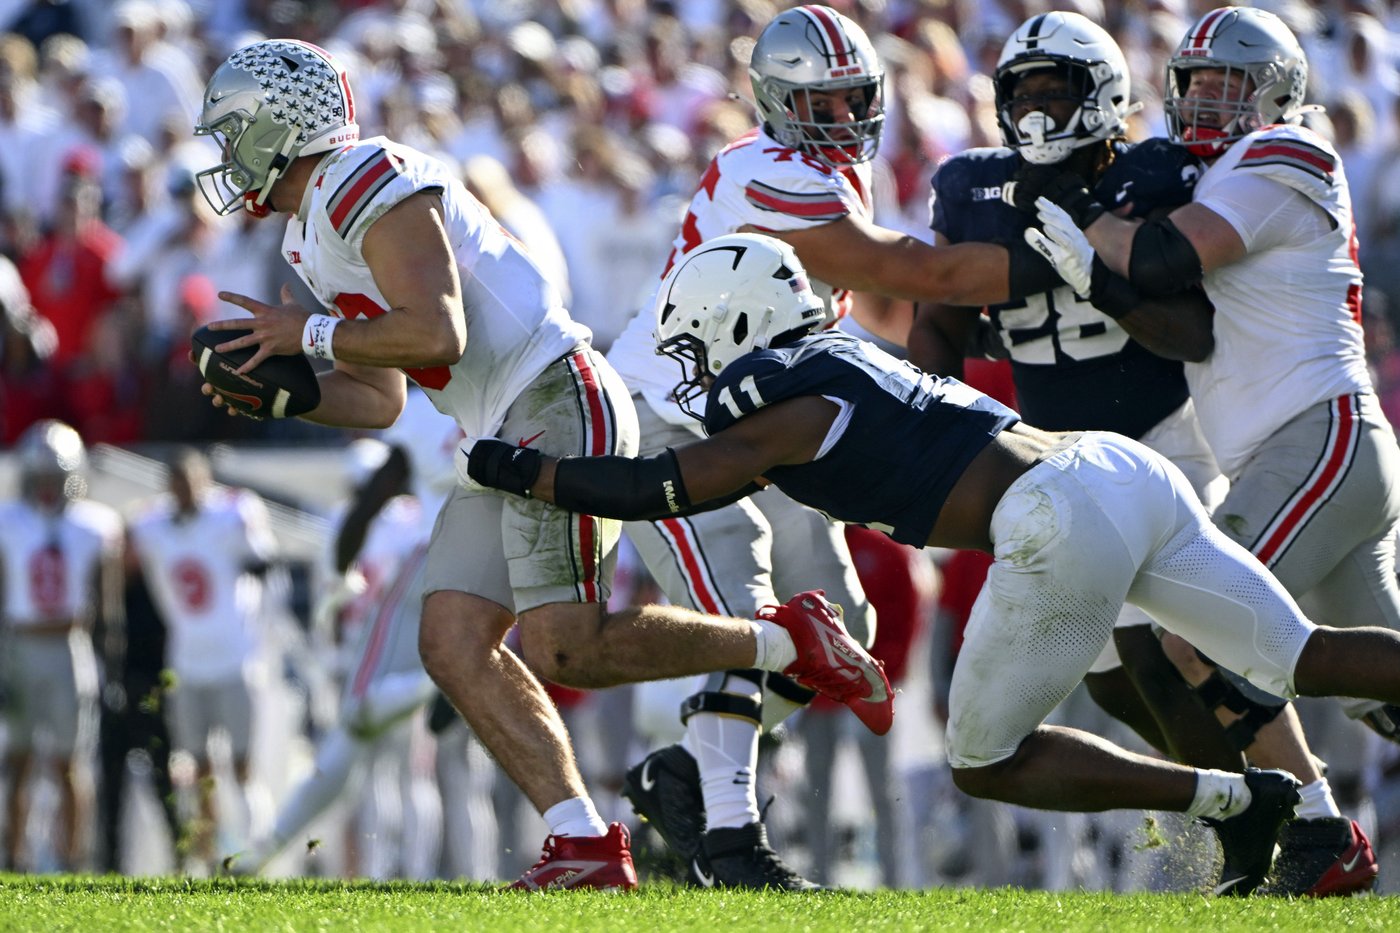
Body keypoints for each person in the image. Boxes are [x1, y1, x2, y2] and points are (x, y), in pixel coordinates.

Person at [466, 231, 1400, 896]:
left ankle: (1238, 798)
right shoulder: (841, 353)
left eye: (702, 342)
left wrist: (527, 469)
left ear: (740, 320)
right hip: (1118, 468)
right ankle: (1265, 805)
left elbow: (667, 486)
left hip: (1055, 517)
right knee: (1301, 653)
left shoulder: (791, 399)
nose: (699, 365)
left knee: (983, 759)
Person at [190, 38, 891, 891]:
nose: (227, 155)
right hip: (495, 428)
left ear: (278, 124)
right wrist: (285, 393)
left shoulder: (361, 171)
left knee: (567, 647)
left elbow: (437, 329)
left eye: (234, 131)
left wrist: (302, 336)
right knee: (452, 640)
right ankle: (585, 842)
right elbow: (376, 396)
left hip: (553, 394)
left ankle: (789, 639)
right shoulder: (310, 233)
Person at [907, 11, 1374, 897]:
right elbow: (938, 320)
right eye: (1026, 92)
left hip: (1165, 445)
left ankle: (1294, 817)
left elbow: (1189, 331)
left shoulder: (1156, 175)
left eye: (1060, 90)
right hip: (1067, 458)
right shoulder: (972, 186)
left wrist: (1094, 278)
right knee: (1126, 685)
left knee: (1202, 647)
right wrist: (931, 409)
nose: (1041, 110)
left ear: (1107, 97)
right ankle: (1257, 816)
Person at [603, 4, 1066, 888]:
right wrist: (1065, 260)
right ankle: (734, 837)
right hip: (675, 407)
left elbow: (893, 302)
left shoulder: (826, 171)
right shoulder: (769, 168)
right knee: (752, 607)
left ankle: (695, 774)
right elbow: (915, 275)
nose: (844, 118)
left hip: (757, 415)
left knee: (844, 629)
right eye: (822, 103)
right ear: (775, 102)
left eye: (855, 98)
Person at [127, 446, 277, 872]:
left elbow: (264, 563)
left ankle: (257, 854)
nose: (182, 491)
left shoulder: (233, 514)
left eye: (189, 481)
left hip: (236, 658)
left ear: (204, 481)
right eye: (175, 483)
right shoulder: (152, 524)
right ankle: (213, 860)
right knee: (197, 768)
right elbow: (122, 548)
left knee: (245, 767)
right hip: (188, 662)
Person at [1, 419, 121, 872]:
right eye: (41, 476)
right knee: (19, 760)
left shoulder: (93, 526)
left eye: (56, 476)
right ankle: (14, 856)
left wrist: (113, 659)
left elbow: (107, 606)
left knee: (71, 763)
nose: (48, 486)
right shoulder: (9, 521)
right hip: (22, 646)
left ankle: (73, 861)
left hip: (71, 647)